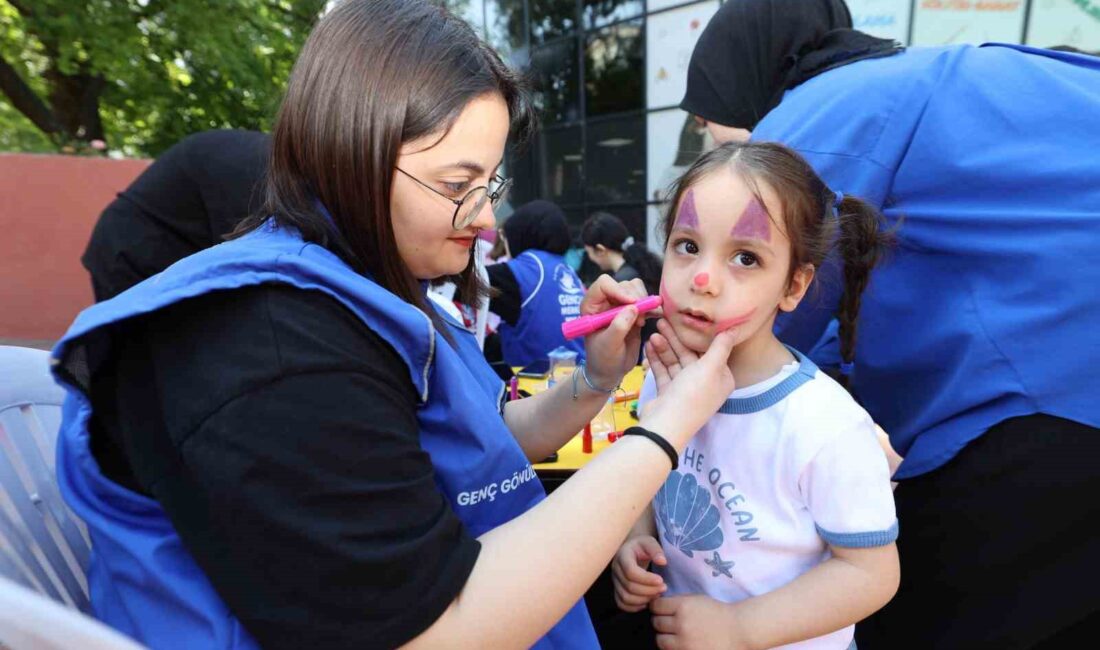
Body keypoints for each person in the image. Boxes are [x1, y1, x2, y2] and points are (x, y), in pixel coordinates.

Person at [47, 2, 742, 648]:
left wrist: (595, 378)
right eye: (455, 184)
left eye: (491, 184)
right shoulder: (274, 350)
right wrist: (665, 428)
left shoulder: (364, 287)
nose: (487, 219)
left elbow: (473, 453)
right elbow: (434, 629)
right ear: (352, 151)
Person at [682, 1, 1100, 646]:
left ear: (740, 83)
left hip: (1043, 403)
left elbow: (753, 324)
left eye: (717, 133)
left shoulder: (819, 115)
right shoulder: (933, 75)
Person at [612, 141, 898, 649]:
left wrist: (739, 628)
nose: (702, 279)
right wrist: (636, 536)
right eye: (687, 245)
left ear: (794, 286)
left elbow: (871, 574)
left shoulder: (823, 425)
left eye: (745, 257)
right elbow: (647, 478)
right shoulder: (662, 375)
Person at [81, 129, 271, 301]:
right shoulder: (261, 176)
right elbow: (250, 261)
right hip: (131, 249)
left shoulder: (265, 163)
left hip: (160, 249)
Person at [487, 199, 587, 367]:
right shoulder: (566, 270)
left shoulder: (524, 272)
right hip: (581, 377)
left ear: (517, 236)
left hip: (538, 384)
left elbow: (456, 283)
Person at [580, 211, 663, 297]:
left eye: (588, 252)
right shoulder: (638, 269)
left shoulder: (622, 281)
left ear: (600, 250)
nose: (590, 258)